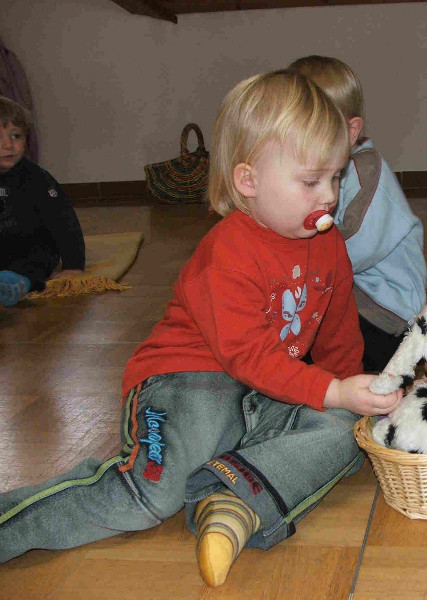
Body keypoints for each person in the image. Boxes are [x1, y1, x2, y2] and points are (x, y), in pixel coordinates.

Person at [0, 71, 402, 586]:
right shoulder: (228, 252)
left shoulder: (327, 246)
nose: (328, 196)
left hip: (260, 391)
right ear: (248, 181)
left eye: (336, 178)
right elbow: (247, 358)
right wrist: (331, 389)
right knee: (149, 499)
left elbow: (339, 333)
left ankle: (231, 494)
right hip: (186, 384)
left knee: (349, 431)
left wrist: (344, 391)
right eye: (310, 181)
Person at [286, 56, 427, 372]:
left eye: (316, 131)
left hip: (385, 314)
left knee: (304, 346)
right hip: (345, 296)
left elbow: (349, 251)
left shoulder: (365, 170)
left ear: (351, 131)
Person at [0, 95, 85, 307]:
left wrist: (73, 265)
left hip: (32, 248)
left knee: (33, 263)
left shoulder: (36, 178)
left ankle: (15, 285)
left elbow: (64, 221)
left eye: (16, 136)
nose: (8, 145)